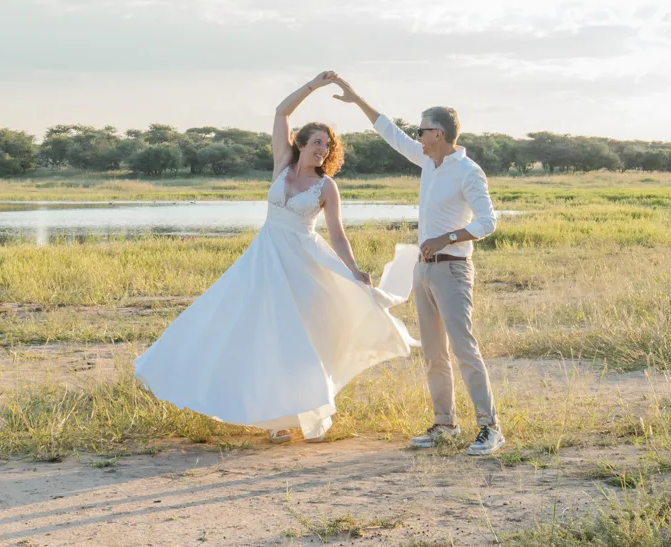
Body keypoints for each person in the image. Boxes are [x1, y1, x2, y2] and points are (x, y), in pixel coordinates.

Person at [134, 72, 420, 443]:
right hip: (264, 260)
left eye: (327, 146)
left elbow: (337, 233)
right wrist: (314, 85)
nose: (323, 149)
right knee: (253, 332)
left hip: (303, 264)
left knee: (294, 340)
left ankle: (298, 413)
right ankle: (274, 419)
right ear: (300, 143)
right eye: (317, 141)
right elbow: (281, 111)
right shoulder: (282, 165)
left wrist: (353, 269)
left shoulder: (326, 185)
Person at [330, 73, 504, 456]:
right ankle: (445, 425)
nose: (417, 135)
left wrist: (449, 237)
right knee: (433, 353)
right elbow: (389, 132)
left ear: (438, 134)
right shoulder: (428, 162)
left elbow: (488, 221)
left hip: (454, 269)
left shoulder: (467, 171)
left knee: (464, 349)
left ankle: (490, 428)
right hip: (423, 270)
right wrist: (357, 98)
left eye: (422, 129)